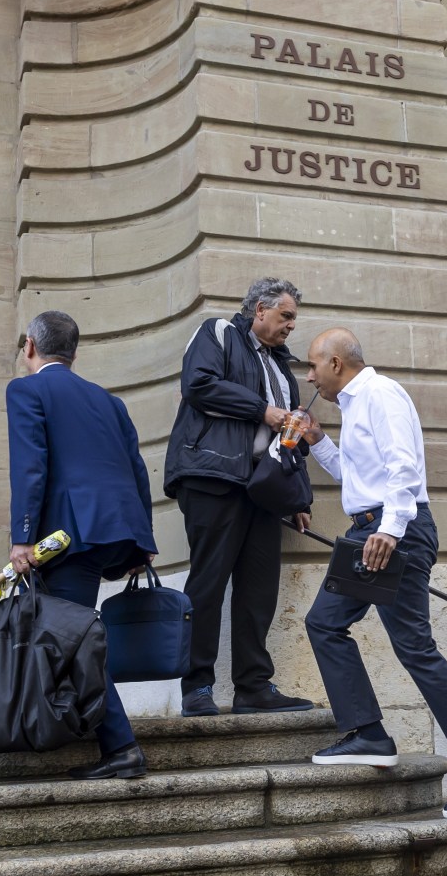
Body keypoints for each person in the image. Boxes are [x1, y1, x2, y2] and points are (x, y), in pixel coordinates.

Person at [302, 328, 447, 819]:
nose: (308, 376)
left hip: (394, 531)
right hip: (370, 528)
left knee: (414, 646)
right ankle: (370, 733)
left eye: (312, 366)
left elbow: (402, 468)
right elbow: (358, 479)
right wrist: (316, 442)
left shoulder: (379, 393)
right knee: (324, 623)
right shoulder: (353, 405)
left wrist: (392, 529)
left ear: (335, 363)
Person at [7, 310, 157, 780]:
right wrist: (144, 541)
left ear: (30, 345)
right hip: (113, 532)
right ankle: (75, 722)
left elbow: (30, 466)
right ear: (75, 352)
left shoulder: (26, 389)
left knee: (71, 643)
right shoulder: (108, 401)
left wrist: (21, 539)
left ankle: (122, 746)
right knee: (67, 636)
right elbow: (136, 470)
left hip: (66, 536)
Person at [164, 277, 314, 717]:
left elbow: (289, 436)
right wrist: (261, 410)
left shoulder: (282, 369)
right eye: (286, 316)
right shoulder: (219, 333)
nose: (291, 326)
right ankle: (197, 688)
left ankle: (253, 686)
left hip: (263, 491)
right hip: (213, 477)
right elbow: (199, 384)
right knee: (207, 583)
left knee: (259, 588)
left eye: (293, 319)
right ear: (260, 310)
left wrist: (298, 496)